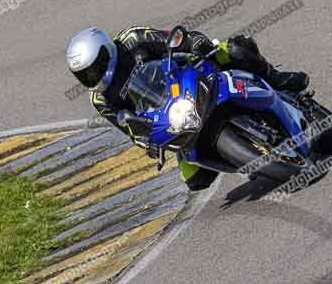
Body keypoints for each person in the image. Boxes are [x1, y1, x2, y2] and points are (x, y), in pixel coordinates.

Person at [66, 26, 309, 190]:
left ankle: (276, 79)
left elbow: (174, 38)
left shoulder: (131, 40)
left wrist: (197, 43)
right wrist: (147, 142)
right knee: (196, 180)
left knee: (235, 48)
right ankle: (249, 154)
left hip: (190, 76)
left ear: (106, 52)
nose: (92, 75)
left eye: (95, 67)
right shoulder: (100, 100)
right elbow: (129, 129)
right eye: (84, 74)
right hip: (173, 117)